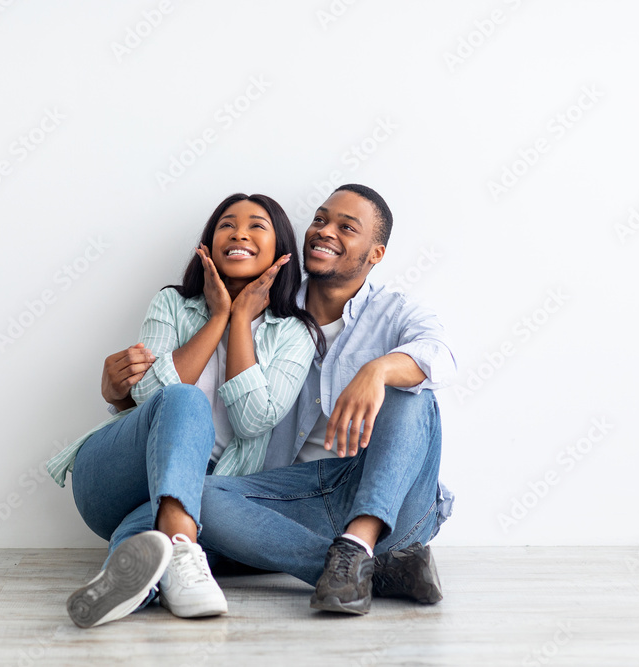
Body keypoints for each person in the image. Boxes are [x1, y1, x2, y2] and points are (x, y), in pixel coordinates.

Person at [46, 193, 321, 628]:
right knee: (185, 398)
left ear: (281, 252)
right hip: (113, 475)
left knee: (151, 525)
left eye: (256, 226)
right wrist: (219, 317)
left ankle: (138, 583)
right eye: (227, 225)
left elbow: (253, 420)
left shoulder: (295, 333)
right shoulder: (171, 304)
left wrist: (242, 322)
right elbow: (146, 395)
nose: (239, 234)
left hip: (201, 490)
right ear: (208, 245)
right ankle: (184, 548)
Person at [195, 184, 456, 615]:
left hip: (384, 498)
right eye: (320, 219)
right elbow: (209, 392)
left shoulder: (394, 311)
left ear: (375, 254)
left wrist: (377, 370)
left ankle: (359, 541)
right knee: (196, 495)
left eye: (346, 227)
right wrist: (124, 396)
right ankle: (368, 568)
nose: (324, 231)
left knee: (412, 393)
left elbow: (440, 356)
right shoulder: (266, 309)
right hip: (292, 501)